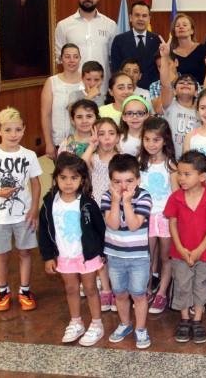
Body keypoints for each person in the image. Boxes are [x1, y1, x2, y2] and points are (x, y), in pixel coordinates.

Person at [0, 107, 42, 312]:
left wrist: (34, 209)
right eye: (8, 130)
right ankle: (3, 291)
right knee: (1, 255)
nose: (13, 134)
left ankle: (25, 290)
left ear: (24, 130)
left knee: (25, 253)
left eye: (18, 130)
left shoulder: (29, 155)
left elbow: (36, 184)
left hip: (23, 215)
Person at [38, 153, 106, 346]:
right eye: (63, 178)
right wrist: (48, 257)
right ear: (56, 178)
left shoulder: (87, 203)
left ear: (82, 179)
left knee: (91, 289)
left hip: (87, 255)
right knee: (71, 288)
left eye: (74, 178)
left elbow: (100, 229)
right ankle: (76, 322)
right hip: (64, 256)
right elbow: (44, 231)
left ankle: (97, 324)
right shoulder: (49, 202)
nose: (68, 182)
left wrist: (102, 252)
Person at [163, 150, 206, 344]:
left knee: (201, 285)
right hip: (180, 252)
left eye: (186, 174)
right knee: (182, 284)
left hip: (204, 253)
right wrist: (181, 249)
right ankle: (184, 319)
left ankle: (198, 320)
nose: (181, 178)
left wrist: (199, 250)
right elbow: (172, 224)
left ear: (202, 176)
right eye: (179, 174)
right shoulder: (175, 198)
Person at [101, 154, 153, 349]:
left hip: (138, 257)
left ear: (138, 180)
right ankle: (125, 324)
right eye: (117, 182)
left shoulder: (144, 196)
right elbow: (113, 224)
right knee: (120, 294)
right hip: (115, 256)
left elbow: (133, 225)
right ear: (110, 182)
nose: (123, 187)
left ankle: (140, 328)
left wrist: (127, 202)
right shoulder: (107, 197)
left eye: (129, 181)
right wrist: (116, 202)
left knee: (138, 295)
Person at [138, 117, 178, 314]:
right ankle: (146, 289)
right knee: (147, 255)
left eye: (156, 139)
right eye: (147, 139)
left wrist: (173, 218)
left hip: (165, 217)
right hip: (145, 217)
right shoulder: (140, 163)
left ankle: (162, 292)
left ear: (165, 141)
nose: (151, 144)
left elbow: (177, 194)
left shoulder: (171, 165)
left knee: (165, 256)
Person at [55, 0, 117, 104]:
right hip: (74, 89)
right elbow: (59, 58)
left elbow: (113, 58)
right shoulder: (64, 25)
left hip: (102, 91)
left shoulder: (110, 25)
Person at [82, 117, 120, 311]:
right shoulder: (93, 158)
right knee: (100, 253)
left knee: (113, 251)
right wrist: (91, 145)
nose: (106, 138)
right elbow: (79, 167)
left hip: (114, 210)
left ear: (118, 137)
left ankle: (117, 290)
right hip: (96, 211)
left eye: (111, 133)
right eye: (102, 134)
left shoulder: (120, 159)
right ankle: (106, 290)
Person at [155, 38, 201, 157]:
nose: (185, 83)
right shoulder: (171, 105)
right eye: (181, 82)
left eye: (190, 83)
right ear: (174, 91)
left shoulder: (201, 111)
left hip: (194, 160)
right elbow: (165, 84)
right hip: (171, 158)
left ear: (196, 92)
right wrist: (165, 57)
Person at [41, 43, 87, 161]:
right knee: (64, 177)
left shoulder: (87, 81)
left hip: (84, 141)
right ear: (61, 59)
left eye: (76, 57)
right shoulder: (52, 82)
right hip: (59, 141)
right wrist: (49, 143)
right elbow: (46, 114)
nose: (72, 60)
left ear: (80, 59)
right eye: (67, 57)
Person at [110, 1, 161, 89]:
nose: (141, 19)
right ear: (130, 17)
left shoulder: (157, 40)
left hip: (152, 90)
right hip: (126, 90)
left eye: (144, 16)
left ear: (149, 19)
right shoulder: (119, 40)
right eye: (137, 15)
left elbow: (159, 69)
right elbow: (116, 69)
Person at [171, 13, 206, 84]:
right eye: (177, 26)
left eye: (185, 25)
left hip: (201, 91)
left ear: (192, 31)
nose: (181, 27)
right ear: (174, 32)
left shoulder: (203, 49)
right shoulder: (171, 54)